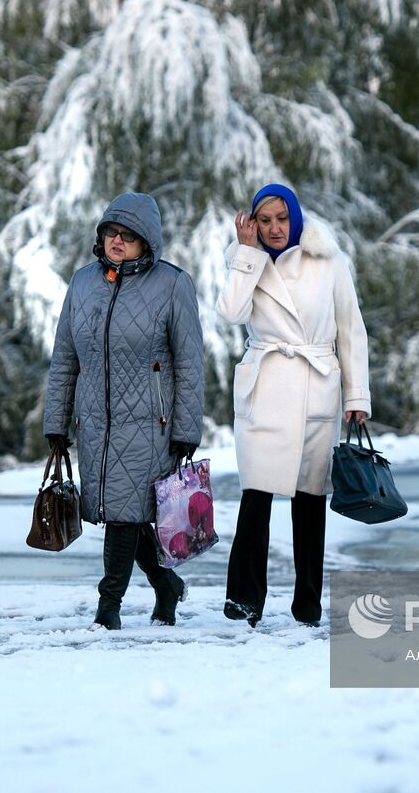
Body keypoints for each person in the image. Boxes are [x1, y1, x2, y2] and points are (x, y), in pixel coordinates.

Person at [43, 192, 205, 630]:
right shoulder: (82, 283)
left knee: (123, 513)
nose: (117, 240)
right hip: (95, 422)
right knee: (124, 513)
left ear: (146, 241)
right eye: (111, 232)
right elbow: (65, 359)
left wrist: (187, 429)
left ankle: (107, 606)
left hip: (150, 424)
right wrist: (57, 423)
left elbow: (190, 361)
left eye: (128, 235)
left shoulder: (173, 285)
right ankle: (165, 585)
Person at [216, 183, 371, 627]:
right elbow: (230, 312)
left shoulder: (329, 260)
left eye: (281, 219)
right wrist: (248, 255)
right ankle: (244, 600)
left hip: (315, 384)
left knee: (309, 501)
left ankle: (308, 605)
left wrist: (357, 395)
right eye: (264, 221)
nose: (274, 229)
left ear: (295, 217)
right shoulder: (247, 259)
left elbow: (351, 328)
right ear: (253, 223)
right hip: (265, 387)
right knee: (256, 496)